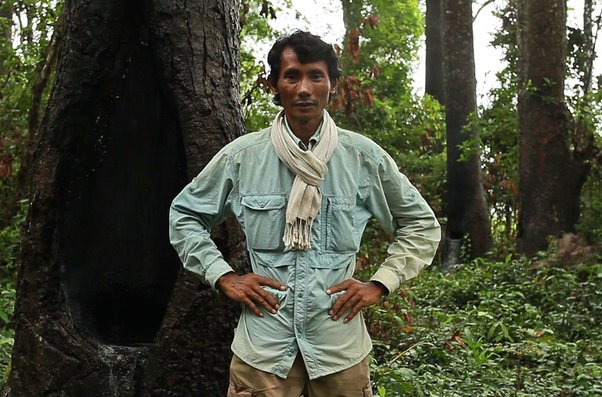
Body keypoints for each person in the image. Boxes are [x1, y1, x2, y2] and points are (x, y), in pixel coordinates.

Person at [169, 30, 441, 397]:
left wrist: (381, 283)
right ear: (273, 84)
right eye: (292, 75)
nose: (303, 89)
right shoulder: (242, 157)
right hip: (263, 350)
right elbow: (185, 215)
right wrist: (223, 276)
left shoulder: (362, 158)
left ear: (333, 85)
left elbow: (421, 224)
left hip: (339, 348)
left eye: (316, 76)